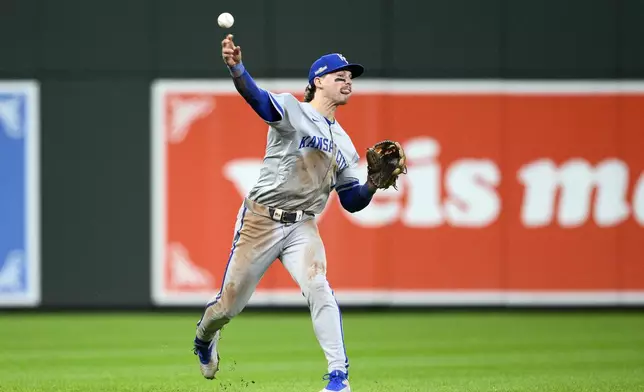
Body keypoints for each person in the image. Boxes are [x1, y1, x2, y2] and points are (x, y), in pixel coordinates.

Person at [192, 33, 380, 392]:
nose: (347, 80)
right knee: (227, 309)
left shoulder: (345, 143)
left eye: (350, 76)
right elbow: (258, 100)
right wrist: (237, 70)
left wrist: (372, 184)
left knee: (319, 287)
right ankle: (203, 339)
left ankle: (338, 377)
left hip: (302, 226)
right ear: (317, 82)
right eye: (338, 75)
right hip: (261, 219)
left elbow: (351, 201)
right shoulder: (294, 110)